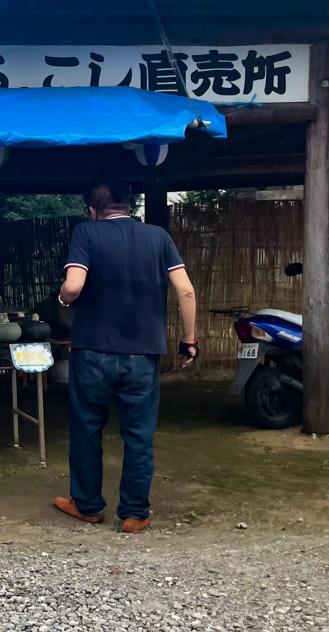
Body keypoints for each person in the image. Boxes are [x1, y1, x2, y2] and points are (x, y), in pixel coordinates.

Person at [55, 181, 197, 533]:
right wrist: (189, 340)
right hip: (143, 352)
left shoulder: (86, 234)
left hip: (92, 351)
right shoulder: (158, 237)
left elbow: (73, 286)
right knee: (139, 434)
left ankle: (88, 506)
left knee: (87, 428)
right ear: (128, 205)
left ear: (92, 209)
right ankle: (134, 514)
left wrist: (63, 299)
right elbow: (186, 289)